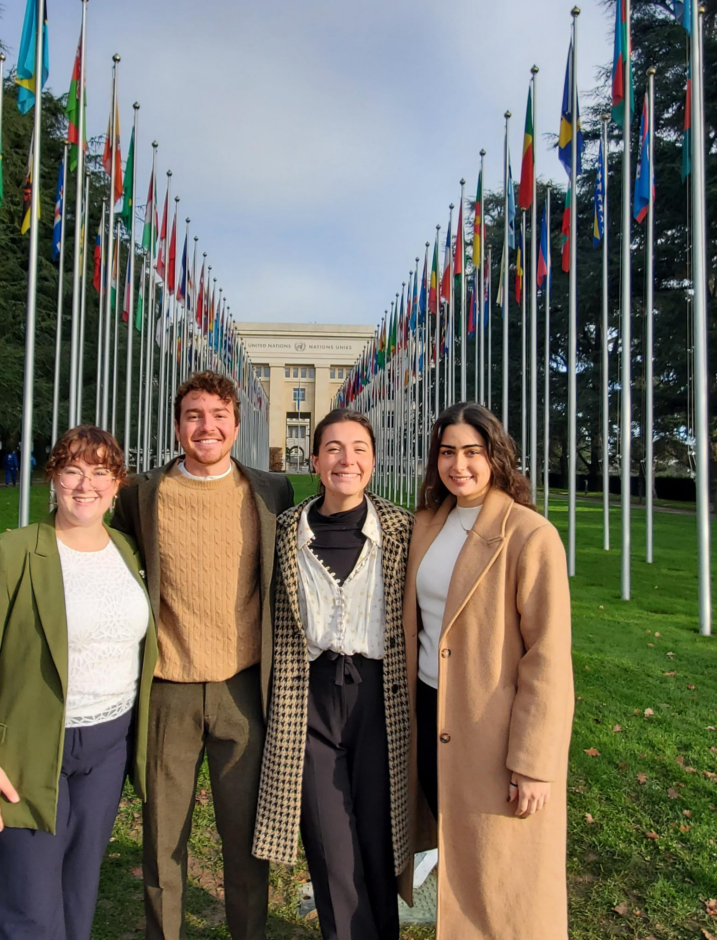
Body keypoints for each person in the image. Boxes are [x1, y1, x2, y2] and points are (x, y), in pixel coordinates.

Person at [0, 425, 157, 940]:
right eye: (72, 471)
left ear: (116, 485)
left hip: (108, 747)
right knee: (27, 905)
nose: (85, 484)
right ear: (53, 479)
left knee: (77, 892)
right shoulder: (12, 552)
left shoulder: (127, 551)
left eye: (100, 472)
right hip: (26, 747)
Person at [110, 370, 294, 940]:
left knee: (244, 841)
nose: (206, 427)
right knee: (163, 838)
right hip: (169, 688)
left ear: (237, 425)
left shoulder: (272, 492)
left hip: (243, 689)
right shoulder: (141, 496)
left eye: (218, 415)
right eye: (194, 415)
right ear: (177, 425)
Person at [403, 402, 574, 940]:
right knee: (456, 851)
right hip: (430, 713)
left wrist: (534, 763)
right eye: (448, 452)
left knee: (500, 873)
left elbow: (548, 657)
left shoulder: (530, 534)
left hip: (494, 731)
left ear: (496, 458)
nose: (460, 465)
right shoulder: (427, 523)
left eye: (473, 452)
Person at [253, 408, 413, 940]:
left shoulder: (401, 528)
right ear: (315, 460)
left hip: (380, 700)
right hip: (308, 703)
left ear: (372, 459)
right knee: (327, 843)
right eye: (335, 449)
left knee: (378, 839)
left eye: (359, 449)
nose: (347, 459)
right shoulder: (283, 531)